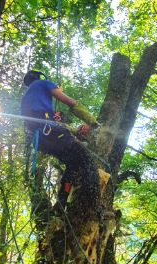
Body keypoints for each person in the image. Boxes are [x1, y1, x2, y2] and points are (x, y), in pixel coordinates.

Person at [20, 69, 100, 205]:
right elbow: (70, 102)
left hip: (41, 141)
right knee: (87, 159)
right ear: (40, 77)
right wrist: (92, 122)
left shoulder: (27, 98)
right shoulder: (43, 83)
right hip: (50, 133)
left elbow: (50, 126)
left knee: (72, 165)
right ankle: (94, 203)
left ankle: (61, 204)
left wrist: (75, 131)